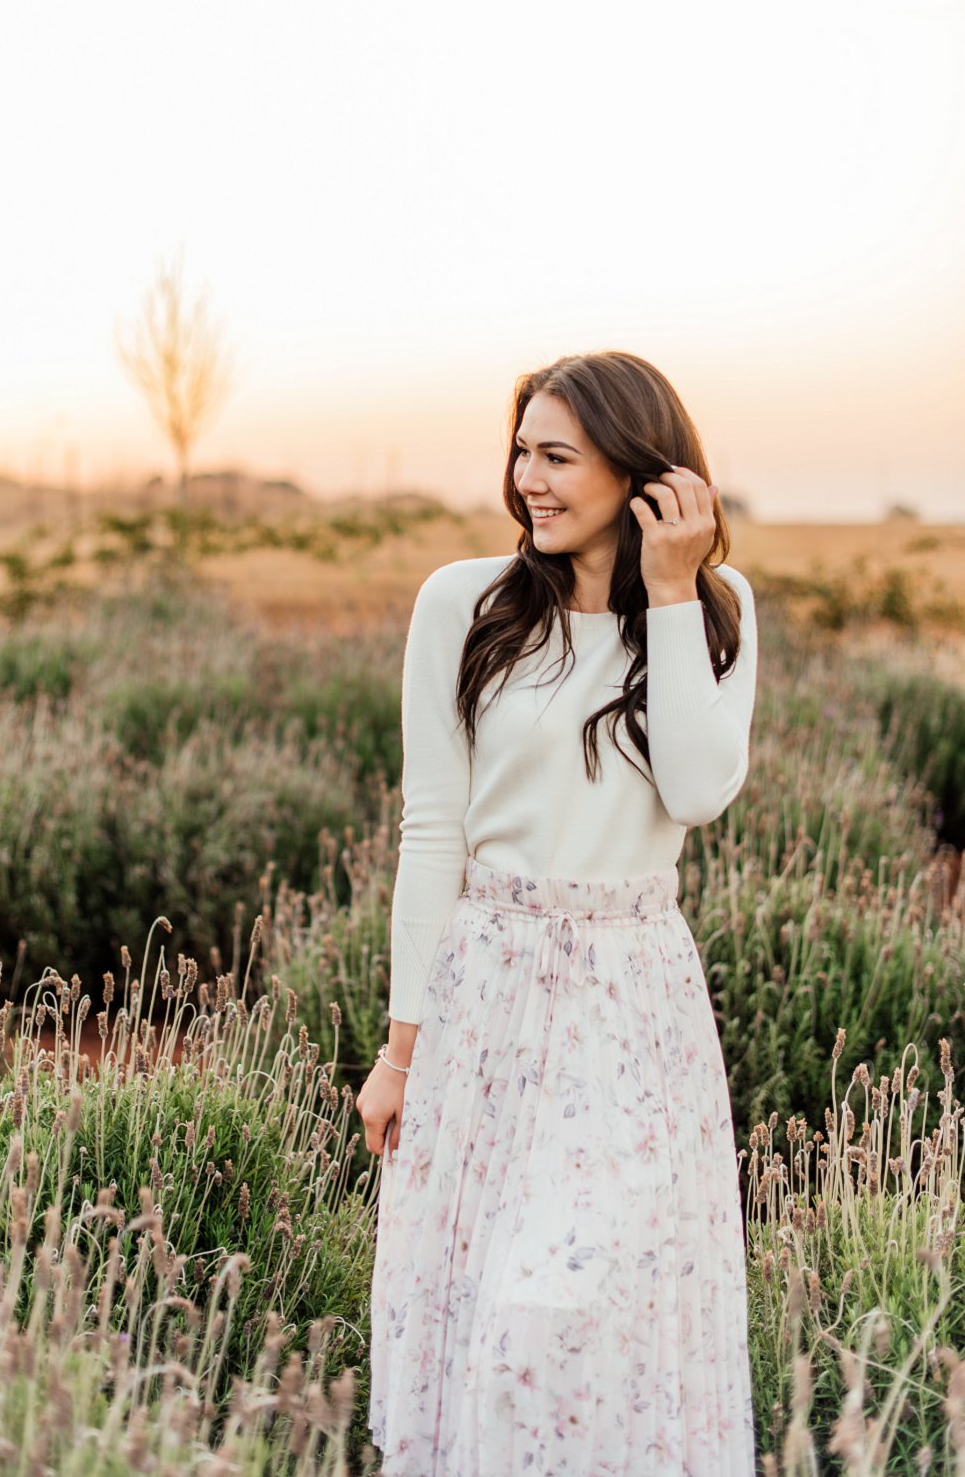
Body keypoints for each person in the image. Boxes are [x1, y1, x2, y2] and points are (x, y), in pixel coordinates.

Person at [357, 350, 758, 1477]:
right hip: (485, 988)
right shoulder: (464, 603)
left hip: (633, 1002)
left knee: (587, 1311)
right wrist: (402, 1052)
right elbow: (432, 829)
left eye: (558, 455)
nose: (528, 478)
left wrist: (673, 595)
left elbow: (696, 789)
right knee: (489, 1309)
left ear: (639, 472)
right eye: (521, 451)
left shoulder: (718, 614)